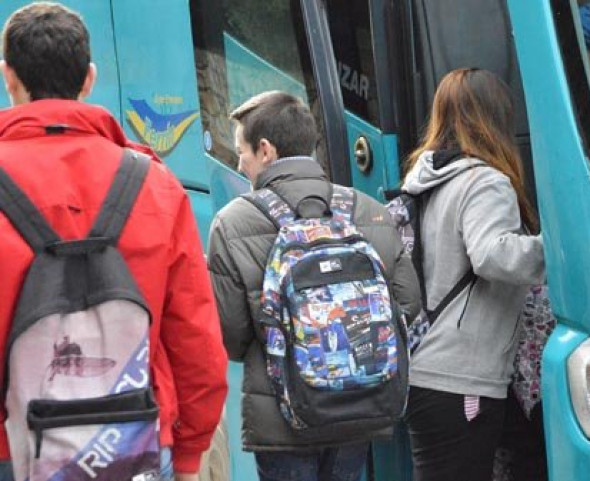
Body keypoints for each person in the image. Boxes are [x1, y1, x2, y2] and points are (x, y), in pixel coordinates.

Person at [0, 3, 228, 481]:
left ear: (8, 77)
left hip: (13, 450)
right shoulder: (155, 184)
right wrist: (190, 453)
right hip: (135, 443)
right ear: (89, 79)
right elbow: (195, 337)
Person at [207, 90, 419, 481]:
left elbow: (232, 336)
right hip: (359, 405)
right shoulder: (367, 211)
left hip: (283, 415)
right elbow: (407, 304)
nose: (240, 163)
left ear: (266, 150)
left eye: (243, 152)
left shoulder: (233, 222)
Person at [401, 68, 546, 481]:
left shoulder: (427, 181)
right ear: (496, 119)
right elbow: (492, 255)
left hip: (429, 371)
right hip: (461, 376)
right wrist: (559, 246)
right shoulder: (485, 181)